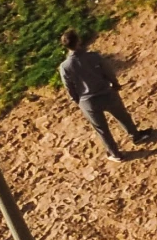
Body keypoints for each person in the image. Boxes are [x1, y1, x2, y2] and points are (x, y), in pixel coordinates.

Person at [58, 30, 146, 160]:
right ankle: (136, 136)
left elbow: (69, 87)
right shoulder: (93, 56)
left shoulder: (64, 67)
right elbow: (107, 71)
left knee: (101, 130)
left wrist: (77, 100)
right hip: (106, 93)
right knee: (122, 116)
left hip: (87, 102)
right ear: (78, 41)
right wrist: (114, 83)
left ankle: (115, 154)